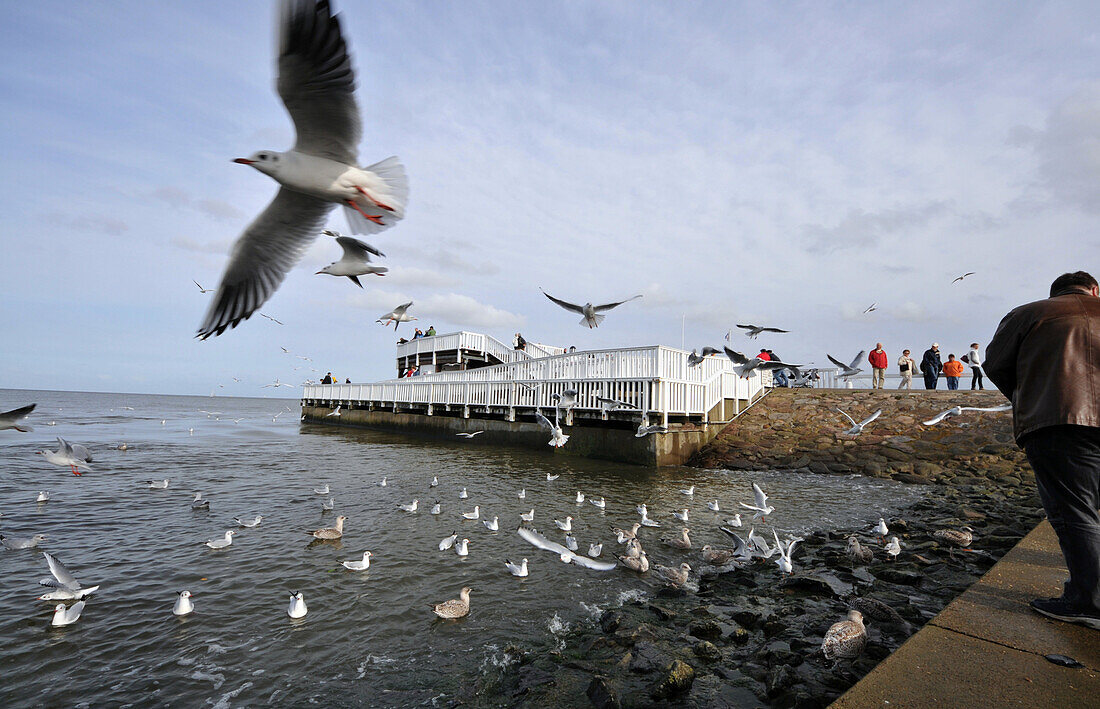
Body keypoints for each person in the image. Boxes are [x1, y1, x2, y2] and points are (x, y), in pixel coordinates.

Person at [985, 271, 1100, 630]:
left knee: (1076, 511)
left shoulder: (1029, 314)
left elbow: (996, 365)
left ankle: (1088, 601)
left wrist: (1033, 396)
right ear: (1095, 290)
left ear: (1055, 292)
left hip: (1060, 421)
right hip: (1066, 419)